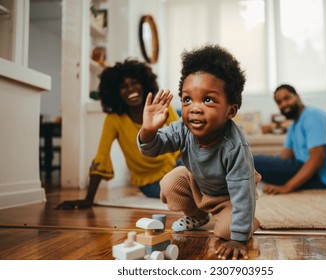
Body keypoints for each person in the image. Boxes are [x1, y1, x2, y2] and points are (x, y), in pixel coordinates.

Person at [137, 45, 260, 260]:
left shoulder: (234, 146)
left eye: (208, 100)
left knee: (226, 231)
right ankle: (198, 216)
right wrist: (148, 130)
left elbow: (242, 195)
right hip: (200, 188)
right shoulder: (183, 128)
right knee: (170, 182)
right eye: (187, 99)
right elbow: (153, 148)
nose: (194, 108)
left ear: (230, 110)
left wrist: (239, 238)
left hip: (229, 197)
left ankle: (248, 222)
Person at [56, 59, 180, 210]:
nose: (130, 89)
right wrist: (88, 198)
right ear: (116, 93)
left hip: (174, 165)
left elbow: (183, 138)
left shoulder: (160, 107)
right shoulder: (114, 119)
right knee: (186, 191)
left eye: (134, 83)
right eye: (123, 86)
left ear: (144, 84)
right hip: (150, 183)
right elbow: (102, 155)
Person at [253, 84, 326, 195]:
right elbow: (285, 156)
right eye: (279, 102)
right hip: (307, 170)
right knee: (256, 162)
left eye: (287, 98)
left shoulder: (313, 117)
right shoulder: (294, 125)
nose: (283, 104)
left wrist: (286, 187)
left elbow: (318, 158)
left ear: (298, 96)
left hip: (324, 179)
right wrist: (269, 164)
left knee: (252, 161)